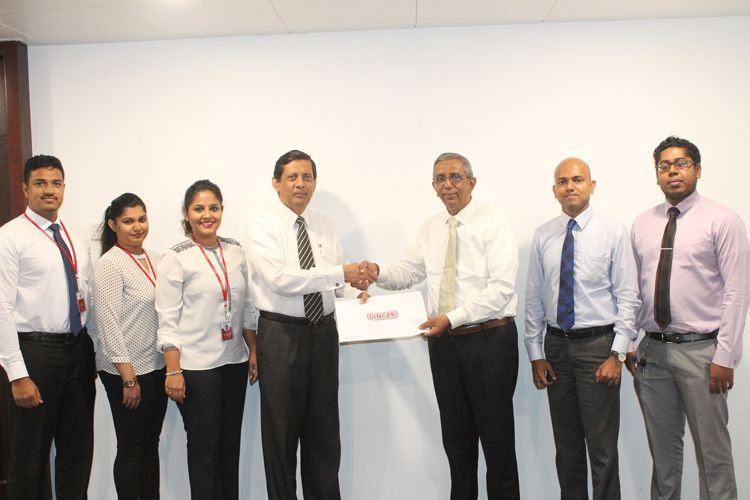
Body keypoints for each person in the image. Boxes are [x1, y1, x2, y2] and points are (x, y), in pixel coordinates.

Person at [360, 152, 520, 500]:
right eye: (440, 179)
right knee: (457, 445)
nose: (447, 184)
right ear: (433, 187)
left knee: (498, 448)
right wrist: (378, 272)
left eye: (455, 177)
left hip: (490, 340)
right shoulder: (431, 228)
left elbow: (502, 290)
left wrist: (451, 317)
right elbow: (409, 271)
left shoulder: (495, 224)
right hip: (445, 345)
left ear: (471, 183)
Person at [629, 136, 750, 500]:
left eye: (681, 164)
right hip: (653, 354)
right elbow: (634, 290)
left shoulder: (722, 219)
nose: (672, 172)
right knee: (663, 455)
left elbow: (737, 292)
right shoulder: (642, 224)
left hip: (702, 354)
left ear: (697, 169)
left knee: (713, 455)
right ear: (656, 175)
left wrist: (725, 356)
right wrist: (630, 342)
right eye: (664, 166)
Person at [244, 150, 368, 500]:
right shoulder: (261, 225)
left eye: (307, 177)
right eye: (292, 177)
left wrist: (356, 292)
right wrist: (339, 274)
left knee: (325, 436)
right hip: (281, 335)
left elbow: (339, 282)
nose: (301, 184)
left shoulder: (324, 223)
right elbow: (281, 279)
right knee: (281, 438)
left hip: (324, 334)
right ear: (276, 183)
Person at [524, 158, 640, 500]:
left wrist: (617, 355)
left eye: (577, 179)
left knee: (602, 450)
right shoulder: (543, 235)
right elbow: (534, 296)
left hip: (599, 349)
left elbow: (628, 296)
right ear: (554, 190)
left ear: (591, 186)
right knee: (567, 448)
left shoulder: (612, 232)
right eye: (563, 181)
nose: (570, 186)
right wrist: (535, 354)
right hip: (556, 348)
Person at [0, 155, 96, 500]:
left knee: (77, 453)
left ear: (64, 188)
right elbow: (2, 309)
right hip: (36, 353)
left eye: (56, 183)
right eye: (40, 183)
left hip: (78, 350)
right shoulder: (10, 236)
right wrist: (17, 374)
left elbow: (86, 295)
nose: (49, 190)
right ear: (25, 189)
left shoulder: (77, 236)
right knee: (30, 457)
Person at [155, 179, 258, 500]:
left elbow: (246, 307)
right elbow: (166, 320)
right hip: (197, 369)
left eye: (213, 208)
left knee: (229, 446)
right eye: (198, 209)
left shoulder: (236, 251)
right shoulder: (175, 258)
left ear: (222, 210)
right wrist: (173, 370)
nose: (207, 215)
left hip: (234, 362)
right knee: (204, 450)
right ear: (187, 213)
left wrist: (253, 350)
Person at [94, 193, 168, 500]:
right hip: (125, 371)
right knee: (132, 446)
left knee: (150, 444)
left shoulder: (156, 259)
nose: (137, 227)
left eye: (142, 219)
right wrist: (128, 379)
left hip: (156, 366)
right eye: (128, 221)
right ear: (113, 225)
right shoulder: (110, 264)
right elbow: (108, 324)